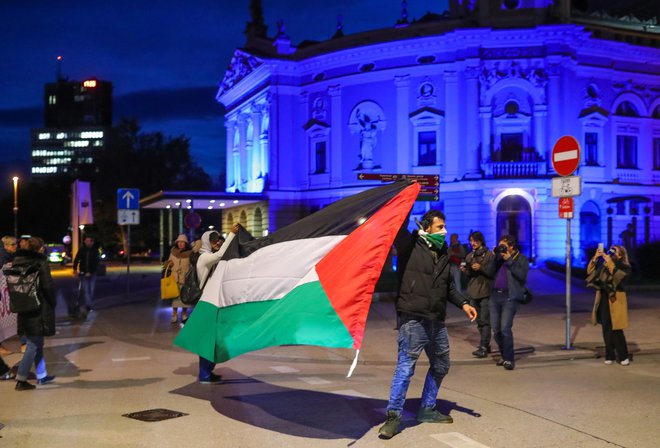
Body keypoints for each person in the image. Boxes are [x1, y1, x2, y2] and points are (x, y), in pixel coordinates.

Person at [379, 210, 477, 439]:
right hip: (412, 318)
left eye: (444, 226)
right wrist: (407, 199)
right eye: (439, 227)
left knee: (441, 364)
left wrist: (464, 303)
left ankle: (427, 408)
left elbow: (448, 287)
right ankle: (393, 417)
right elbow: (396, 224)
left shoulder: (442, 251)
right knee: (405, 368)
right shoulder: (410, 245)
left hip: (436, 319)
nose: (444, 231)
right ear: (427, 227)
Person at [195, 225, 238, 384]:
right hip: (206, 305)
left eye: (218, 241)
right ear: (207, 243)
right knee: (208, 340)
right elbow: (221, 255)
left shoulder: (208, 256)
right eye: (213, 242)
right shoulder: (204, 257)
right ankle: (205, 373)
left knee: (214, 339)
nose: (217, 244)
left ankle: (207, 371)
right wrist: (232, 235)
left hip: (212, 303)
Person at [13, 237, 57, 390]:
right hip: (39, 306)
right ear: (40, 249)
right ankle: (21, 379)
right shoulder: (40, 263)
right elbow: (48, 286)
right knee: (33, 343)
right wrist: (53, 302)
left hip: (23, 305)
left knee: (37, 342)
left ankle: (42, 375)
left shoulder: (18, 261)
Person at [587, 245, 631, 365]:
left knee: (616, 329)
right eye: (610, 250)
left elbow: (618, 277)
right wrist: (595, 258)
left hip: (616, 299)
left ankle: (623, 356)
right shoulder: (605, 265)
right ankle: (609, 355)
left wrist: (610, 262)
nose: (611, 253)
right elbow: (590, 272)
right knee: (606, 328)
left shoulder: (624, 267)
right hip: (604, 298)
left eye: (614, 251)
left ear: (620, 255)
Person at [490, 235, 529, 371]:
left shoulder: (522, 259)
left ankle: (509, 359)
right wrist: (495, 256)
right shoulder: (499, 258)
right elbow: (489, 272)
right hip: (494, 296)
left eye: (504, 246)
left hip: (510, 297)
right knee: (496, 330)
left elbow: (522, 275)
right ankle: (504, 354)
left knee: (505, 328)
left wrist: (510, 261)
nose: (502, 248)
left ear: (511, 247)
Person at [461, 231, 495, 359]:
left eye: (475, 241)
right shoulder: (470, 256)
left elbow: (491, 273)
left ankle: (483, 346)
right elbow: (470, 275)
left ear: (481, 241)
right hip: (473, 292)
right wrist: (466, 271)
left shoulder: (489, 255)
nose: (472, 243)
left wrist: (480, 268)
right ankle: (486, 344)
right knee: (479, 321)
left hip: (485, 291)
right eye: (471, 241)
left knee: (485, 321)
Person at [165, 234, 192, 324]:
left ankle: (184, 314)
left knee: (184, 298)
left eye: (182, 242)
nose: (180, 244)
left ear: (185, 244)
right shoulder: (173, 252)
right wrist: (168, 264)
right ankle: (174, 315)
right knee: (175, 298)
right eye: (179, 242)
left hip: (185, 278)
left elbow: (192, 265)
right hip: (174, 278)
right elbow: (169, 262)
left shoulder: (189, 253)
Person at [73, 235, 100, 317]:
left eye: (88, 241)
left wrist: (91, 272)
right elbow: (77, 259)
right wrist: (75, 269)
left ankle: (88, 304)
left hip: (92, 273)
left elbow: (96, 262)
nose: (86, 242)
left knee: (91, 290)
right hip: (83, 273)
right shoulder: (82, 250)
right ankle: (88, 306)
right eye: (85, 241)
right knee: (85, 290)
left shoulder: (95, 251)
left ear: (92, 242)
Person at [1, 236, 18, 356]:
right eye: (13, 244)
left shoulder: (8, 256)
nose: (15, 246)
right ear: (6, 246)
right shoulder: (2, 257)